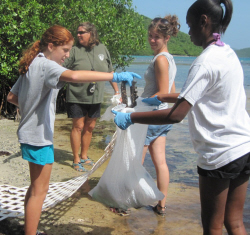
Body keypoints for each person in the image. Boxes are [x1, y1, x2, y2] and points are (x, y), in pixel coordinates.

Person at [112, 0, 250, 234]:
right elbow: (195, 95)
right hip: (243, 147)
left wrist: (132, 117)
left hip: (219, 152)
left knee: (212, 226)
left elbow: (177, 116)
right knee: (234, 222)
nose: (187, 32)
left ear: (203, 22)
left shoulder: (204, 62)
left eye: (190, 25)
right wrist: (163, 96)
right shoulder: (228, 53)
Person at [7, 25, 140, 235]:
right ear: (51, 46)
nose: (67, 55)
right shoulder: (47, 65)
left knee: (34, 189)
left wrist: (32, 105)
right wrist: (113, 76)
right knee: (39, 192)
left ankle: (29, 230)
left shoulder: (33, 63)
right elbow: (75, 76)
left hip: (30, 134)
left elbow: (12, 97)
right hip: (39, 137)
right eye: (65, 50)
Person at [63, 22, 120, 172]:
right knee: (78, 126)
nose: (78, 35)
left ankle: (84, 155)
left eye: (82, 32)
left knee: (90, 127)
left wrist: (117, 92)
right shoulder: (74, 50)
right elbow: (61, 68)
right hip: (76, 95)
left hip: (96, 96)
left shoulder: (102, 49)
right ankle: (76, 159)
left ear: (91, 33)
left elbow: (110, 72)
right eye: (78, 32)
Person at [139, 15, 180, 216]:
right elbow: (172, 91)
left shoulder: (160, 60)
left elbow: (162, 93)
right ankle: (161, 205)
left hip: (151, 116)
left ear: (167, 38)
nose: (152, 40)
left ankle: (125, 201)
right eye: (150, 36)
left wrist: (136, 106)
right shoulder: (170, 60)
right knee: (161, 162)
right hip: (163, 116)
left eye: (156, 37)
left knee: (136, 160)